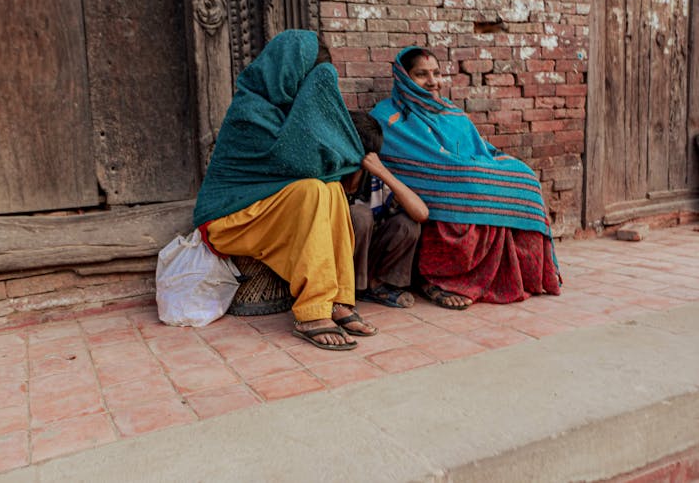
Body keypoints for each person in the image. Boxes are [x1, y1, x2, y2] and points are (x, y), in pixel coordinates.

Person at [193, 30, 378, 350]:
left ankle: (338, 300)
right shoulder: (251, 109)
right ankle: (312, 311)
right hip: (226, 220)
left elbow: (333, 164)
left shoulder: (294, 112)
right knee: (313, 190)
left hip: (265, 210)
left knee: (331, 189)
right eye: (314, 79)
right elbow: (304, 163)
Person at [370, 47, 561, 309]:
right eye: (421, 74)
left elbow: (478, 146)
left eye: (436, 73)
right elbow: (422, 163)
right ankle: (437, 281)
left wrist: (496, 164)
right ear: (404, 77)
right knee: (470, 186)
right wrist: (467, 172)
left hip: (465, 173)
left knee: (525, 178)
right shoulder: (387, 116)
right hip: (434, 188)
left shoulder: (450, 111)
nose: (433, 81)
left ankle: (520, 275)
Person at [344, 111, 429, 308]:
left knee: (407, 224)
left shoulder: (373, 181)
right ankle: (350, 289)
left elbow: (421, 213)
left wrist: (381, 171)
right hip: (337, 264)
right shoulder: (330, 179)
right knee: (360, 215)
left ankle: (377, 286)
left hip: (368, 261)